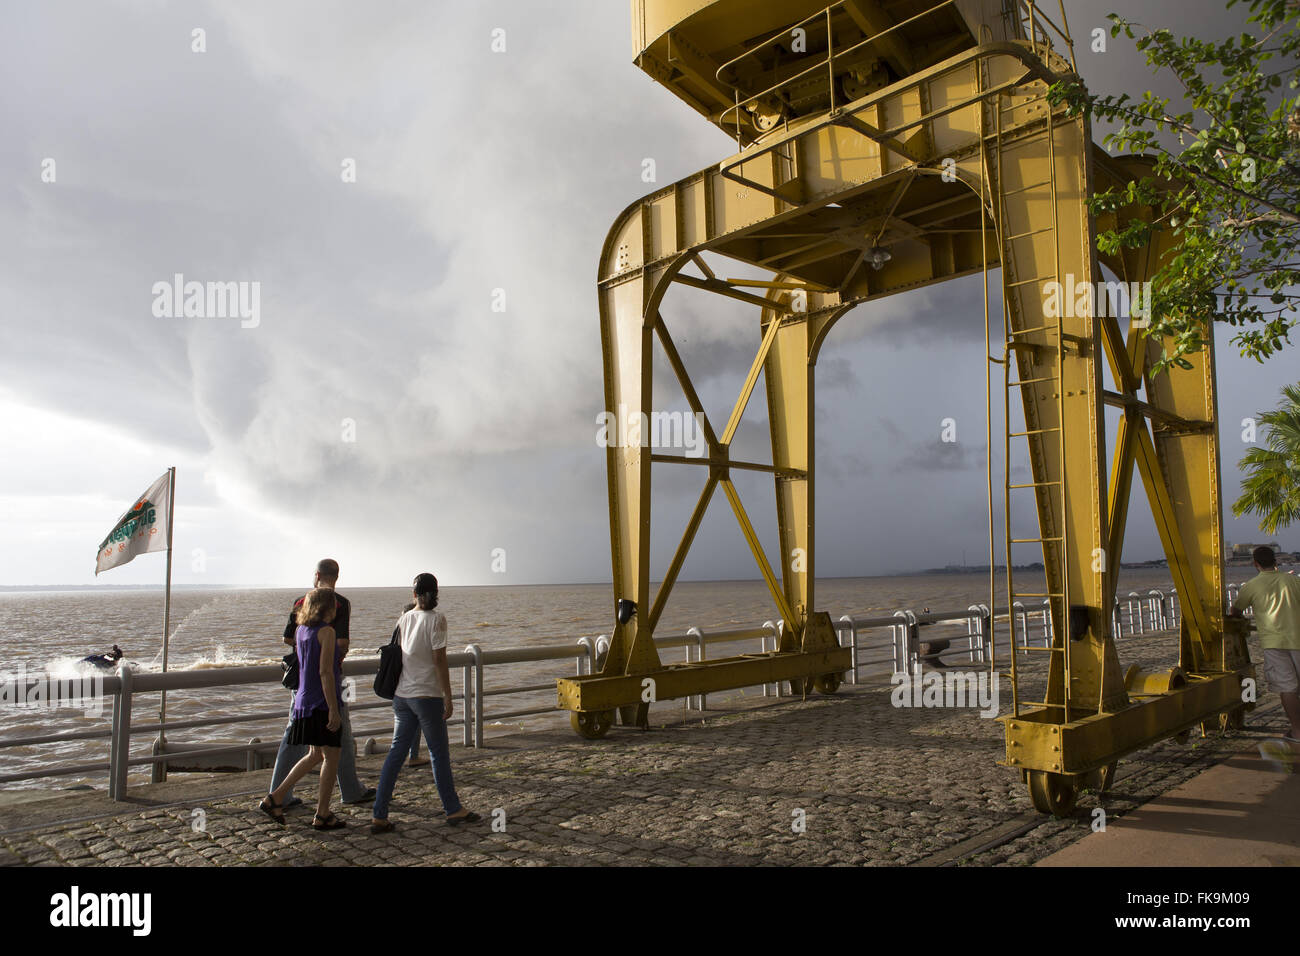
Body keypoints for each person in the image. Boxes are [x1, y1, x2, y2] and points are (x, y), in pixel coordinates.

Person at [371, 573, 480, 833]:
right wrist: (448, 696)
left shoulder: (404, 618)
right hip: (427, 695)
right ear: (436, 593)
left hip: (402, 696)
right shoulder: (437, 619)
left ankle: (379, 814)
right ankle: (453, 809)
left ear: (414, 595)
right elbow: (439, 660)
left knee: (396, 754)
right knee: (439, 754)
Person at [267, 559, 374, 808]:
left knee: (295, 734)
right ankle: (348, 792)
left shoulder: (300, 601)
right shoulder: (340, 604)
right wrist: (324, 647)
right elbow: (343, 643)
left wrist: (306, 648)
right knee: (341, 733)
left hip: (301, 681)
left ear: (317, 575)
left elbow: (287, 637)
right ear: (337, 576)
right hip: (329, 680)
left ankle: (279, 793)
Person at [259, 588, 347, 828]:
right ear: (327, 608)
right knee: (331, 757)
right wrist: (333, 709)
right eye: (334, 608)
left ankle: (275, 797)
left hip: (302, 702)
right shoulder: (327, 633)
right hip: (321, 702)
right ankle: (323, 813)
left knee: (314, 754)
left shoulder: (300, 630)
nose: (335, 611)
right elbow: (326, 672)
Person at [1229, 546, 1300, 753]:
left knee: (1288, 688)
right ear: (1275, 561)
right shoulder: (1293, 581)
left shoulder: (1251, 586)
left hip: (1274, 643)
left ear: (1255, 564)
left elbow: (1236, 611)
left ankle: (1297, 731)